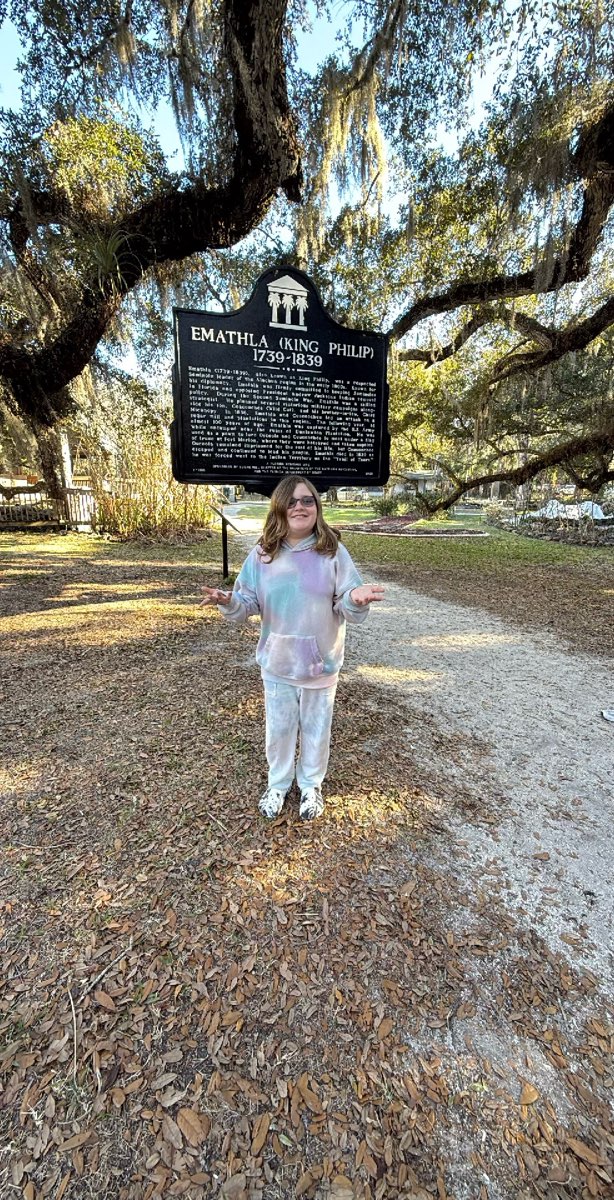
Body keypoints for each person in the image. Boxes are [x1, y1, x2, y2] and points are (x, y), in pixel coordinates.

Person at [200, 475, 384, 821]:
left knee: (316, 729)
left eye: (308, 500)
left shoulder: (332, 553)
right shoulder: (262, 555)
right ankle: (278, 784)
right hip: (278, 664)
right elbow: (246, 603)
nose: (300, 507)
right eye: (292, 501)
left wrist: (355, 599)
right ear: (280, 507)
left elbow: (347, 603)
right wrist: (228, 600)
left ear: (317, 507)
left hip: (321, 665)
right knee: (280, 729)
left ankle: (311, 786)